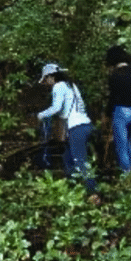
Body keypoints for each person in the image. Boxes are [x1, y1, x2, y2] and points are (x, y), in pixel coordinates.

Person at [35, 63, 99, 202]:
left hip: (77, 127)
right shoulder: (71, 85)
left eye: (46, 80)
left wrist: (41, 115)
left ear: (51, 77)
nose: (47, 83)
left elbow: (56, 108)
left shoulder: (59, 86)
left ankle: (93, 193)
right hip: (85, 125)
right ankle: (73, 190)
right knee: (67, 158)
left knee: (80, 161)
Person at [103, 45, 131, 173]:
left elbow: (113, 98)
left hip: (121, 111)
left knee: (122, 144)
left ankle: (126, 174)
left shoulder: (115, 75)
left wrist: (107, 114)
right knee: (129, 140)